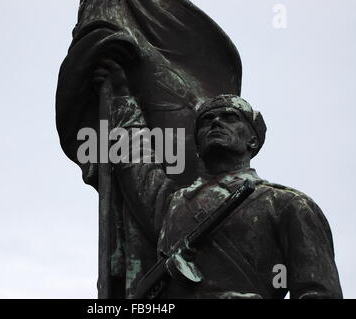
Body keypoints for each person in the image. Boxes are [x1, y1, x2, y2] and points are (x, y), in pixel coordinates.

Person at [92, 59, 343, 299]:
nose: (216, 123)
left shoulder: (288, 205)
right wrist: (122, 95)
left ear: (253, 140)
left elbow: (319, 292)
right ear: (198, 146)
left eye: (230, 117)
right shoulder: (173, 204)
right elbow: (137, 160)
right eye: (206, 121)